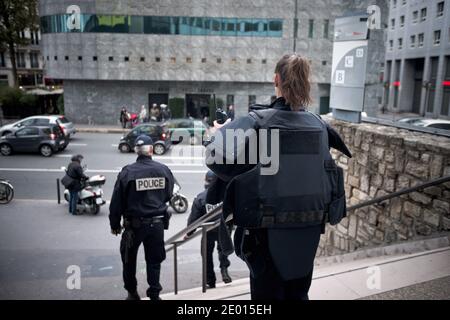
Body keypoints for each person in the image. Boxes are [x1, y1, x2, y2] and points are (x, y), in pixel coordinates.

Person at [205, 54, 352, 300]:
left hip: (266, 235)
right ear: (306, 83)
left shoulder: (258, 123)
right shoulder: (319, 125)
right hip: (308, 230)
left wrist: (218, 134)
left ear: (276, 79)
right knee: (298, 294)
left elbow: (217, 161)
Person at [109, 135, 175, 300]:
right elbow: (168, 195)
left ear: (136, 151)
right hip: (157, 224)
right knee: (154, 261)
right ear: (151, 150)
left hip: (134, 227)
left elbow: (117, 201)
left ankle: (132, 293)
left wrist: (115, 224)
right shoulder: (163, 170)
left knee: (128, 260)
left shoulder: (128, 172)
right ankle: (154, 294)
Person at [185, 171, 232, 289]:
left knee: (206, 255)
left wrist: (189, 233)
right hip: (224, 228)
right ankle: (224, 269)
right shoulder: (226, 195)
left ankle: (210, 280)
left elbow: (194, 220)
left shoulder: (201, 197)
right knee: (223, 250)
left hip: (207, 231)